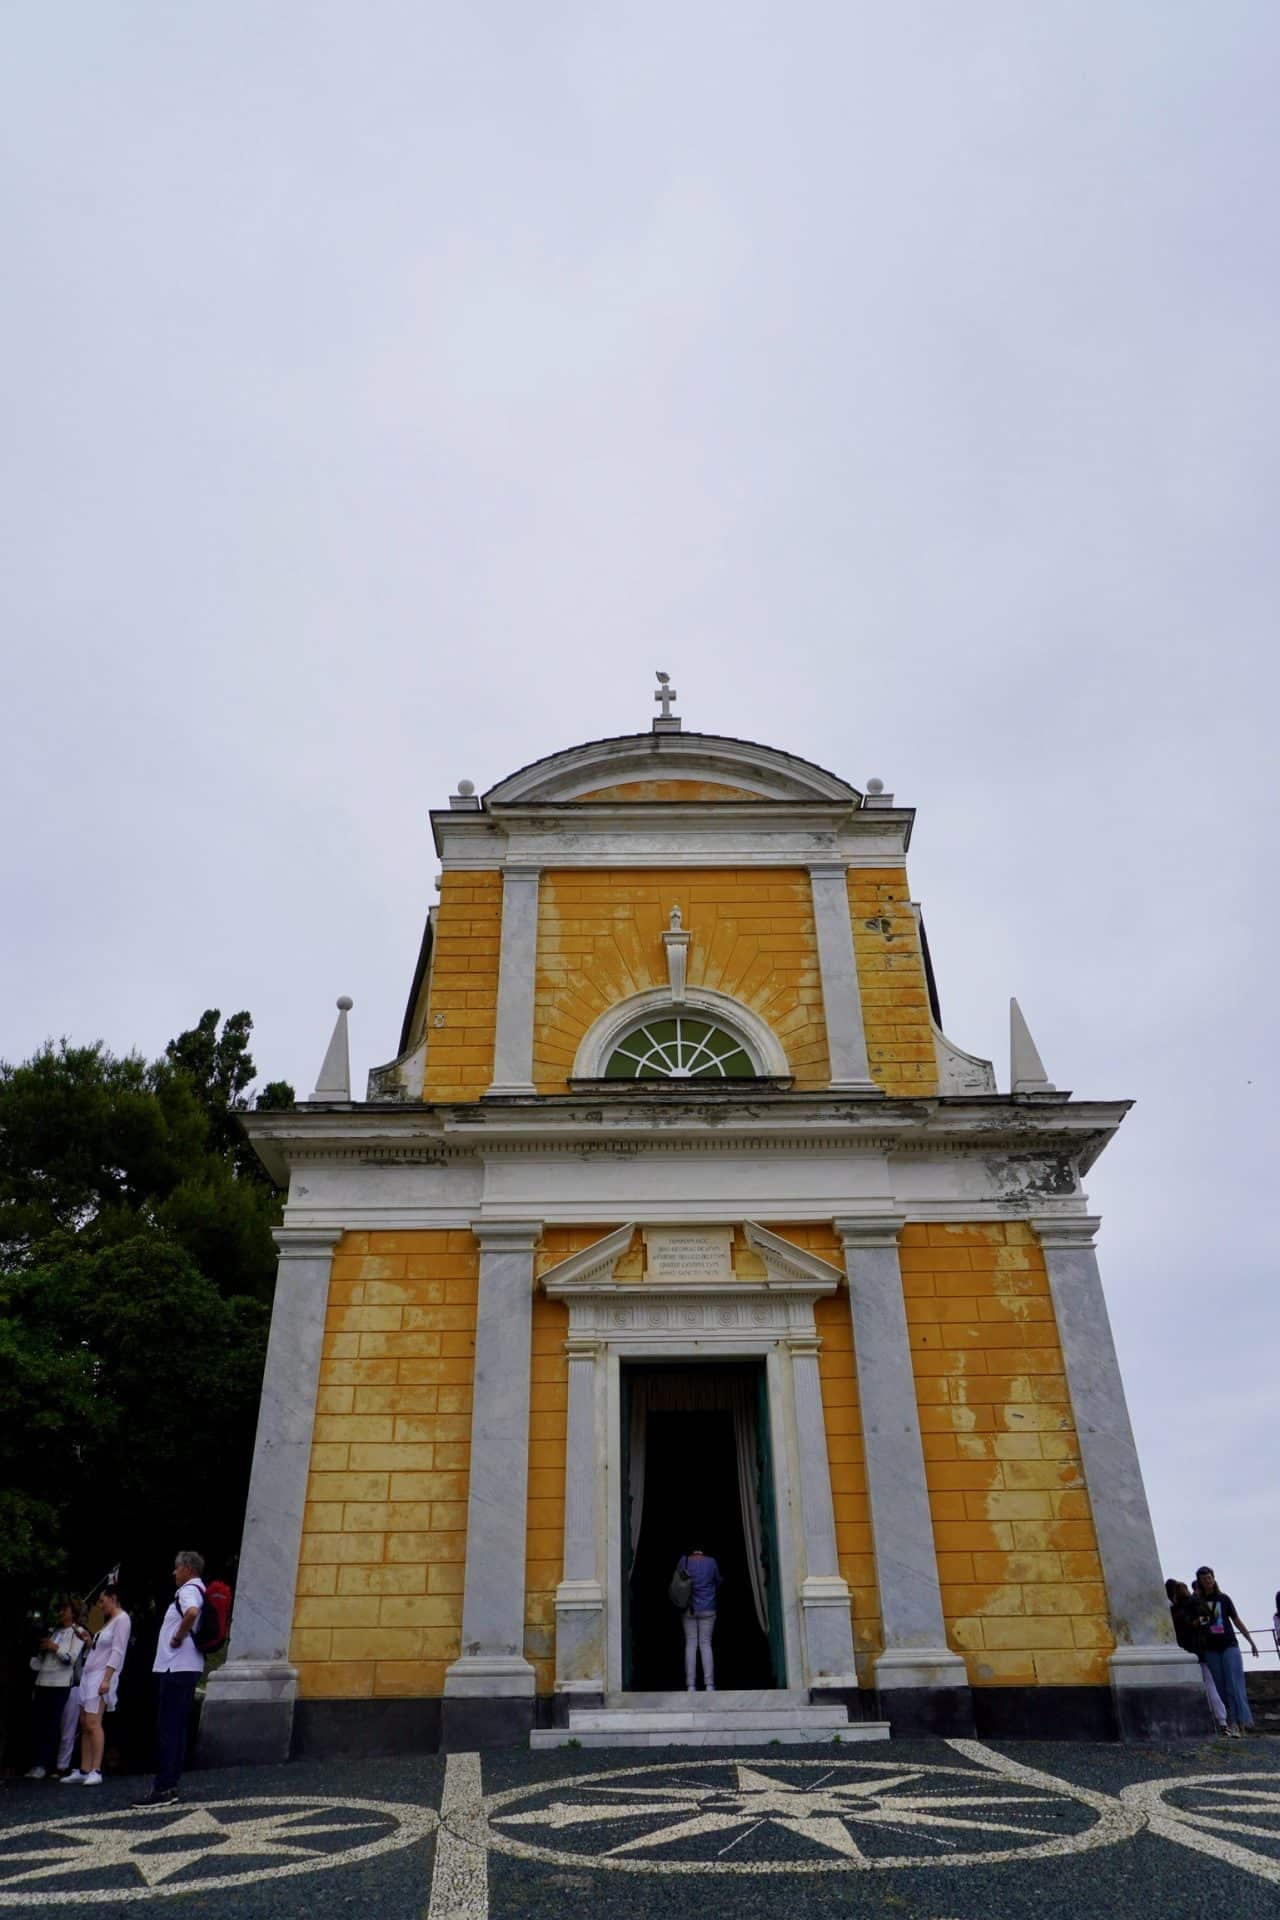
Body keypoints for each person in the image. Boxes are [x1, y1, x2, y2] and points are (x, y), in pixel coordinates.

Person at [136, 1550, 206, 1807]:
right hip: (188, 1667)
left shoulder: (188, 1590)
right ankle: (170, 1783)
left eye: (177, 1568)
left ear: (188, 1568)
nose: (174, 1572)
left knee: (168, 1728)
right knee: (177, 1728)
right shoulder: (200, 1589)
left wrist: (177, 1637)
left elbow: (191, 1613)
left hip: (176, 1667)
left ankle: (163, 1787)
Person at [62, 1585, 130, 1786]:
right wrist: (89, 1641)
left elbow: (117, 1651)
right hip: (89, 1674)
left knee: (93, 1722)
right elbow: (101, 1649)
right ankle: (84, 1768)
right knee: (84, 1722)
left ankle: (96, 1769)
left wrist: (107, 1679)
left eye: (102, 1601)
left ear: (113, 1598)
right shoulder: (109, 1623)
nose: (100, 1605)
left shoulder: (122, 1620)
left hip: (101, 1675)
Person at [1194, 1565, 1258, 1737]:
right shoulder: (1200, 1603)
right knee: (1221, 1687)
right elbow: (1204, 1624)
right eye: (1203, 1579)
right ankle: (1233, 1721)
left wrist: (1250, 1641)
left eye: (1209, 1577)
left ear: (1213, 1578)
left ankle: (1237, 1722)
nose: (1207, 1581)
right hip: (1211, 1648)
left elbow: (1236, 1620)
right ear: (1200, 1582)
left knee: (1234, 1684)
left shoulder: (1224, 1599)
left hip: (1229, 1645)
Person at [25, 1597, 84, 1779]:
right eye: (59, 1610)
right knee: (39, 1724)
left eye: (64, 1610)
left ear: (72, 1612)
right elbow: (36, 1662)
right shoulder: (53, 1631)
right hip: (43, 1680)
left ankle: (52, 1765)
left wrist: (55, 1648)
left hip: (61, 1683)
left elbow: (70, 1659)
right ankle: (38, 1763)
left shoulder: (78, 1632)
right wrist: (41, 1649)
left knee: (54, 1725)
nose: (60, 1613)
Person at [1165, 1577, 1225, 1733]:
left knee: (1197, 1684)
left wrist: (1197, 1623)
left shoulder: (1178, 1609)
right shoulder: (1187, 1605)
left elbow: (1212, 1619)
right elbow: (1215, 1620)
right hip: (1199, 1649)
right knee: (1209, 1684)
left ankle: (1216, 1720)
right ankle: (1221, 1721)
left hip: (1186, 1650)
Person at [677, 1546, 722, 1692]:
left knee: (690, 1645)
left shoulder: (684, 1561)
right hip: (708, 1608)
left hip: (689, 1609)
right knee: (706, 1644)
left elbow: (678, 1582)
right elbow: (718, 1580)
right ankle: (709, 1684)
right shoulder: (712, 1562)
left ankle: (691, 1685)